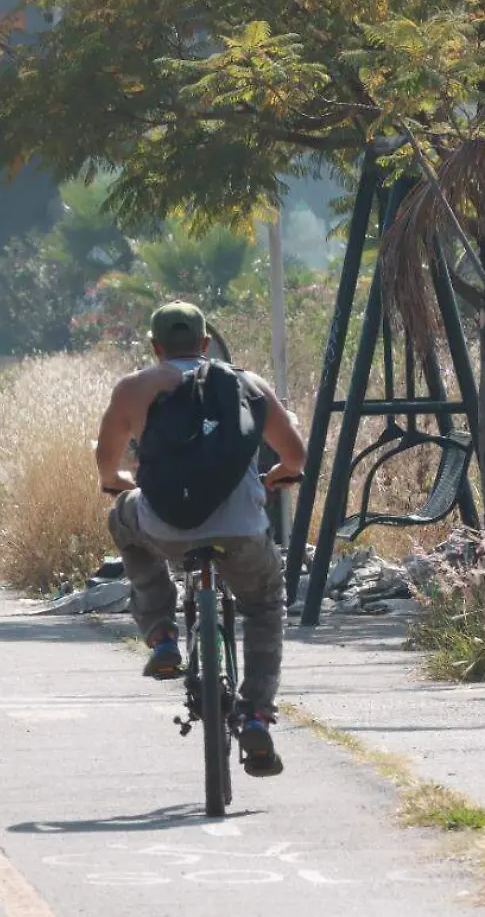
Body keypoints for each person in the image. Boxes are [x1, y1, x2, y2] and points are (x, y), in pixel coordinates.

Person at [94, 301, 307, 778]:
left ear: (156, 347)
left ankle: (163, 633)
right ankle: (255, 713)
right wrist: (281, 474)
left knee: (123, 520)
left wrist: (118, 482)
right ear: (206, 343)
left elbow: (107, 462)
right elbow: (296, 453)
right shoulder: (248, 384)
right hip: (242, 533)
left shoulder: (135, 389)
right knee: (264, 603)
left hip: (165, 527)